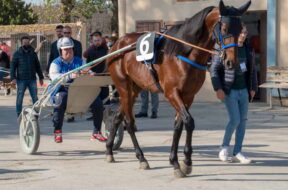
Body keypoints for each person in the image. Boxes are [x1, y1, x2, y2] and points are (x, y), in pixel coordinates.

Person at [210, 25, 257, 164]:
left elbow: (253, 69)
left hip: (244, 91)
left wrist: (253, 87)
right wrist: (217, 88)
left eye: (245, 32)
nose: (243, 35)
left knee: (242, 122)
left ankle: (237, 152)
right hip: (230, 91)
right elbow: (214, 68)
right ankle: (224, 147)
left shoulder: (248, 49)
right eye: (241, 32)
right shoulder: (225, 48)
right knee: (235, 119)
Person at [49, 37, 107, 143]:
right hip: (62, 90)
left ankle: (96, 132)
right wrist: (70, 75)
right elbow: (55, 77)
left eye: (70, 49)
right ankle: (57, 131)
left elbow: (88, 70)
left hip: (80, 91)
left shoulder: (80, 61)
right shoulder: (55, 63)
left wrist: (91, 74)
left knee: (97, 102)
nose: (68, 51)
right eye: (65, 49)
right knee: (60, 99)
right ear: (60, 50)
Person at [10, 36, 44, 117]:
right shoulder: (17, 54)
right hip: (21, 80)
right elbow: (13, 67)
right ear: (21, 43)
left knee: (35, 98)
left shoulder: (33, 53)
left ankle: (36, 113)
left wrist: (41, 77)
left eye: (27, 42)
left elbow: (37, 66)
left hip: (32, 79)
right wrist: (13, 78)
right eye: (24, 42)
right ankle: (19, 114)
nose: (26, 44)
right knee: (20, 98)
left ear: (29, 43)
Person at [83, 31, 109, 120]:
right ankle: (95, 115)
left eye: (98, 40)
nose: (97, 42)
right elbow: (87, 62)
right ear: (92, 41)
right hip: (93, 77)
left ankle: (106, 115)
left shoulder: (106, 50)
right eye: (95, 41)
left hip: (104, 77)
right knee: (94, 97)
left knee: (105, 97)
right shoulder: (90, 50)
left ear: (101, 40)